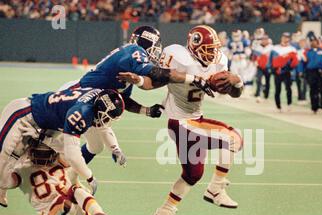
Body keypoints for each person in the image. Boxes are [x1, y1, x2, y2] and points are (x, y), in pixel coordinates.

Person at [60, 26, 214, 166]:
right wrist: (193, 79)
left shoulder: (129, 61)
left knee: (95, 146)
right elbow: (155, 73)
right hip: (78, 95)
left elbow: (123, 100)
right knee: (58, 143)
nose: (157, 51)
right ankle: (60, 177)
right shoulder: (134, 51)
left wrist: (146, 110)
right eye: (156, 46)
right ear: (148, 42)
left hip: (89, 99)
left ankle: (71, 180)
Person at [146, 25, 244, 215]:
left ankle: (163, 214)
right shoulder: (178, 57)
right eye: (207, 49)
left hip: (192, 120)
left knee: (192, 174)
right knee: (233, 138)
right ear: (193, 46)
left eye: (213, 49)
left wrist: (236, 80)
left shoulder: (219, 61)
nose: (212, 54)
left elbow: (235, 94)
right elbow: (154, 80)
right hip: (181, 122)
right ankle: (216, 189)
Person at [0, 88, 124, 207]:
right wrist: (89, 177)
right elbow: (73, 156)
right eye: (107, 117)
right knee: (4, 179)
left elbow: (71, 151)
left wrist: (115, 148)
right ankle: (4, 186)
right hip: (21, 115)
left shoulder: (97, 99)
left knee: (58, 158)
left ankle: (17, 173)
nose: (107, 121)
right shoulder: (82, 113)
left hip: (45, 123)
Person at [1, 142, 126, 215]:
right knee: (61, 201)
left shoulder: (60, 158)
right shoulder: (21, 169)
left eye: (45, 153)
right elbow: (5, 181)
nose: (42, 156)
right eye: (39, 152)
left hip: (76, 212)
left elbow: (77, 157)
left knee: (76, 190)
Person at [303, 33, 322, 114]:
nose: (313, 43)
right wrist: (302, 72)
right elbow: (303, 63)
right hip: (311, 72)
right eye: (312, 41)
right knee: (313, 90)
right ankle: (314, 107)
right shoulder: (307, 52)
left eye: (315, 41)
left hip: (321, 72)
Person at [269, 32, 298, 111]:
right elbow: (271, 60)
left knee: (288, 88)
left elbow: (295, 62)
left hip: (287, 72)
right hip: (277, 72)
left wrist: (291, 69)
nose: (286, 39)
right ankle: (278, 106)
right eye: (284, 37)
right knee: (277, 89)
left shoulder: (292, 49)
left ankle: (289, 104)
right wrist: (272, 69)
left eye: (287, 37)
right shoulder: (275, 48)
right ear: (281, 38)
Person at [253, 34, 273, 102]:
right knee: (259, 80)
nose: (264, 40)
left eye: (265, 39)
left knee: (267, 81)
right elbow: (254, 57)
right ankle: (258, 94)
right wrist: (255, 61)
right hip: (259, 66)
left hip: (268, 67)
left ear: (268, 40)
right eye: (263, 39)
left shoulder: (271, 47)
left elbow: (273, 58)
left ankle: (266, 95)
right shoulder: (257, 47)